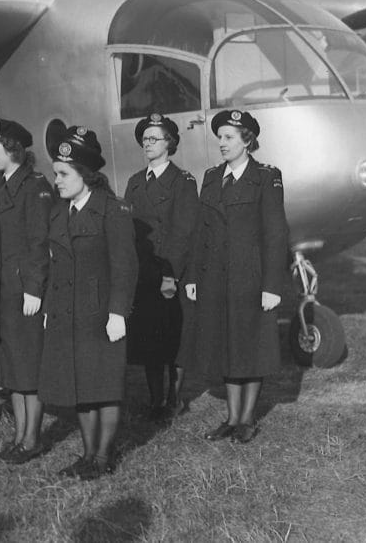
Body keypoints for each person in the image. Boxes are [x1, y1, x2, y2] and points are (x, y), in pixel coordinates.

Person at [183, 110, 288, 444]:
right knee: (226, 343)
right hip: (215, 276)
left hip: (250, 277)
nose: (222, 143)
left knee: (250, 343)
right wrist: (192, 276)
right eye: (220, 137)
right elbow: (201, 230)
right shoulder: (212, 177)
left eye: (229, 137)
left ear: (248, 141)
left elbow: (275, 234)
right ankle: (231, 417)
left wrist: (272, 286)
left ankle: (246, 420)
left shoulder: (266, 177)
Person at [39, 121, 137, 479]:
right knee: (80, 386)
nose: (58, 180)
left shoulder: (113, 210)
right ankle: (87, 454)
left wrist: (118, 313)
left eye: (64, 174)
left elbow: (125, 266)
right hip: (67, 312)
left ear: (85, 174)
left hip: (100, 314)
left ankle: (103, 457)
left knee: (104, 386)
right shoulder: (59, 212)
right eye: (56, 174)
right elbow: (55, 266)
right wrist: (50, 308)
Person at [0, 114, 53, 465]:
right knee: (13, 367)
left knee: (28, 367)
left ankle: (32, 440)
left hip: (22, 291)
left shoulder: (35, 186)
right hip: (1, 288)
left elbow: (39, 242)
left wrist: (35, 289)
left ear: (12, 150)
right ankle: (21, 437)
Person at [123, 114, 199, 421]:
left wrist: (170, 276)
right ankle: (155, 400)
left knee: (172, 337)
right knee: (149, 338)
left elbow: (184, 233)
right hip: (142, 274)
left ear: (170, 143)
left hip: (169, 274)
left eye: (154, 139)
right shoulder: (135, 182)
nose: (147, 144)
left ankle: (174, 398)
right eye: (145, 139)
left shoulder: (183, 182)